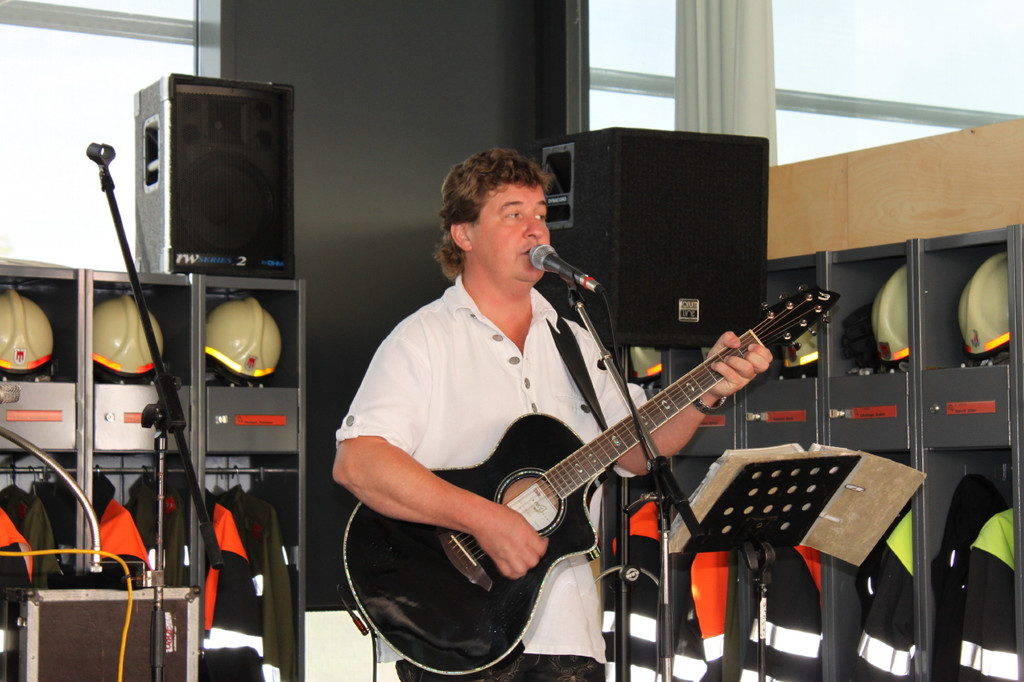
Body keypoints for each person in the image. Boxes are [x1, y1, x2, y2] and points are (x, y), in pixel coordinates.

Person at [333, 147, 773, 682]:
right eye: (513, 213)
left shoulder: (575, 341)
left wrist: (707, 390)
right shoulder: (423, 339)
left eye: (541, 214)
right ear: (464, 234)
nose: (535, 229)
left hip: (568, 636)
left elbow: (637, 451)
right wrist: (485, 520)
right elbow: (359, 464)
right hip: (455, 631)